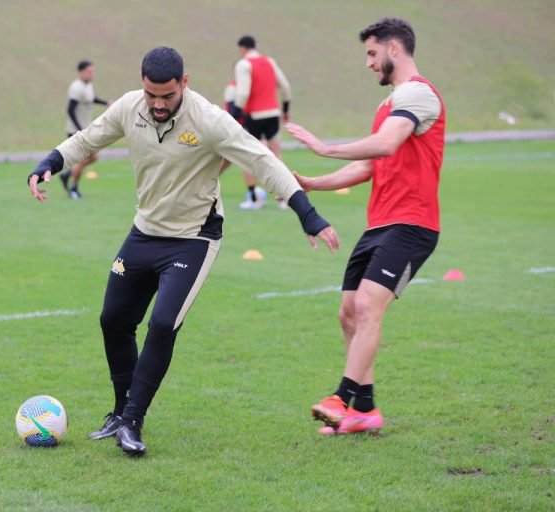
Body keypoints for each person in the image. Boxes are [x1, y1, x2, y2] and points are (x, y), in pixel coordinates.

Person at [28, 47, 340, 456]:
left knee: (162, 323)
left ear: (185, 83)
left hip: (194, 237)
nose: (158, 105)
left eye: (167, 96)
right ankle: (120, 412)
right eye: (151, 95)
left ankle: (133, 421)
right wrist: (49, 163)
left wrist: (307, 214)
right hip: (145, 231)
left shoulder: (209, 120)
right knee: (113, 320)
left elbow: (263, 161)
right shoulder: (129, 108)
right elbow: (87, 138)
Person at [285, 17, 445, 435]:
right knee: (348, 313)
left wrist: (325, 149)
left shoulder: (419, 94)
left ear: (394, 49)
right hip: (380, 225)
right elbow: (370, 165)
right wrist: (314, 182)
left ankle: (341, 399)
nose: (369, 63)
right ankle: (367, 411)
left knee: (367, 306)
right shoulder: (388, 106)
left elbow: (387, 144)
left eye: (372, 54)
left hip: (413, 225)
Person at [232, 35, 292, 210]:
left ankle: (253, 198)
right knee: (277, 156)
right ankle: (285, 198)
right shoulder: (270, 61)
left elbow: (243, 93)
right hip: (273, 113)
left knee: (249, 157)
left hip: (254, 115)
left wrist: (235, 115)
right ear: (256, 46)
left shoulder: (243, 64)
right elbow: (285, 87)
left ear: (242, 48)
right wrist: (286, 109)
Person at [58, 60, 110, 199]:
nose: (92, 74)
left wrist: (106, 103)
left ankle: (67, 175)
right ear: (81, 72)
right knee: (86, 158)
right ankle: (73, 188)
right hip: (76, 131)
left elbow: (91, 99)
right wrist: (79, 130)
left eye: (93, 71)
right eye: (89, 71)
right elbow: (70, 109)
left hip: (84, 130)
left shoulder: (88, 85)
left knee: (92, 157)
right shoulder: (76, 88)